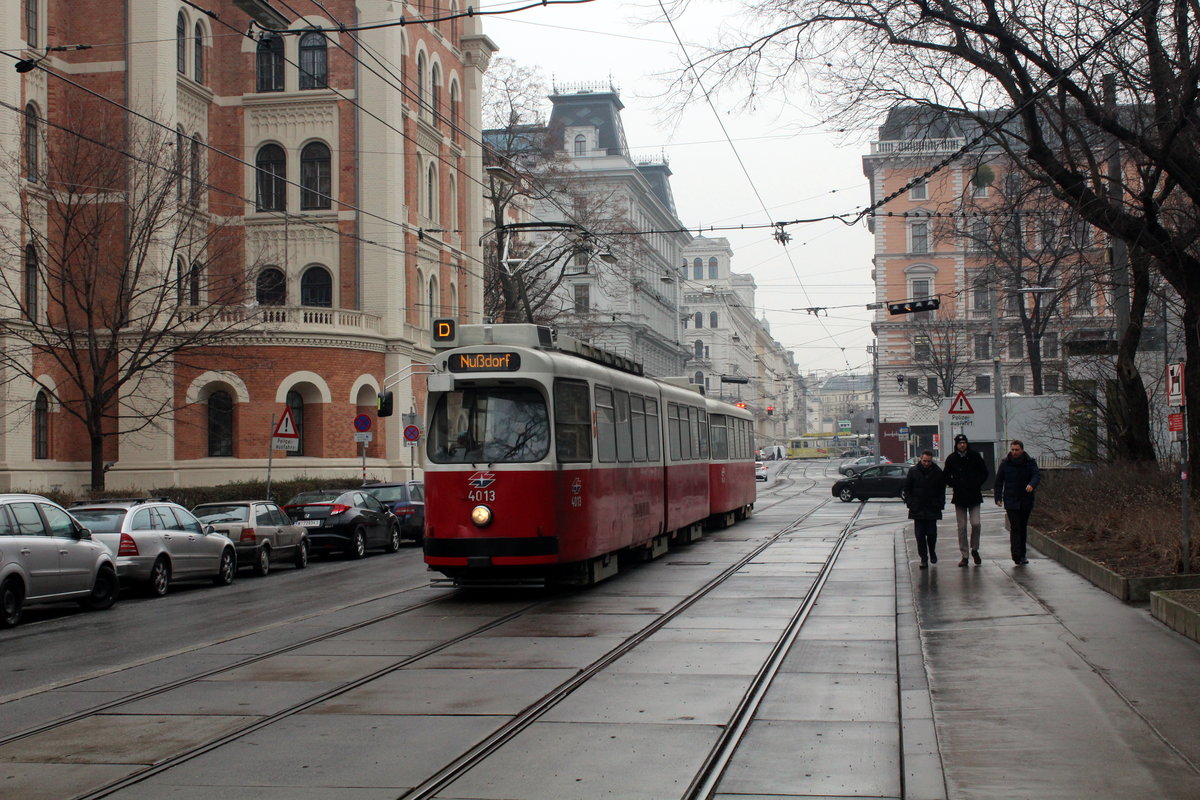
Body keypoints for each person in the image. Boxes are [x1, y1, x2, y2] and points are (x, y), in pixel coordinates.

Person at [943, 433, 989, 567]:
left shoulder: (975, 456)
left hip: (974, 496)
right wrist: (954, 484)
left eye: (964, 443)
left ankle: (974, 549)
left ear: (967, 444)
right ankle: (964, 555)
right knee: (961, 527)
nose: (962, 445)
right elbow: (945, 475)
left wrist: (977, 483)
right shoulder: (951, 458)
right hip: (960, 497)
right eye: (960, 443)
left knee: (976, 523)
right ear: (956, 445)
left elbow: (984, 472)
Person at [994, 439, 1040, 565]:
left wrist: (1032, 484)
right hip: (1011, 500)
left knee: (1022, 528)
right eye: (1012, 450)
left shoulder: (1030, 463)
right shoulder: (1005, 464)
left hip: (1025, 500)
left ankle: (1023, 554)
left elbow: (1036, 475)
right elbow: (999, 481)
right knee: (1015, 527)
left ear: (1022, 450)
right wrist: (998, 497)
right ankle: (1016, 554)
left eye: (1017, 450)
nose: (1014, 452)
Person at [905, 449, 945, 569]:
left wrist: (940, 504)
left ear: (931, 460)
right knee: (919, 535)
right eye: (924, 461)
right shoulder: (913, 472)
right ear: (920, 459)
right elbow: (907, 489)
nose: (926, 463)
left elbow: (941, 490)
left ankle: (932, 551)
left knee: (932, 534)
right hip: (917, 508)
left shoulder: (937, 472)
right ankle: (923, 558)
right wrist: (910, 503)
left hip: (932, 508)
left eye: (928, 461)